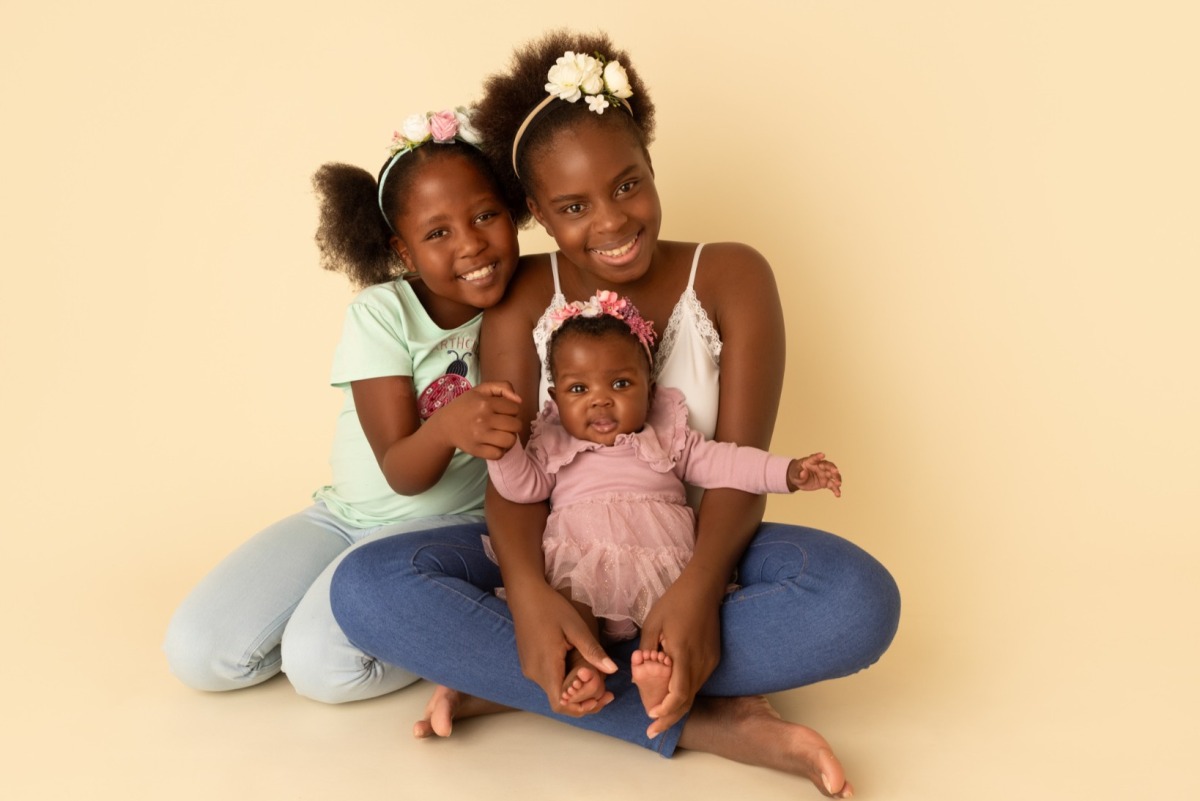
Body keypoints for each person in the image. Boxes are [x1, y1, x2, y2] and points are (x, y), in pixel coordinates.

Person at [331, 32, 900, 797]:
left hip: (700, 542)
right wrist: (529, 595)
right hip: (563, 554)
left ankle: (520, 681)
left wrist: (700, 589)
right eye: (573, 206)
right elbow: (514, 477)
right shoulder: (524, 297)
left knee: (859, 601)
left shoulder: (733, 274)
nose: (610, 221)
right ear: (536, 213)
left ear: (651, 167)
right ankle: (704, 721)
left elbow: (734, 464)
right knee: (366, 586)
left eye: (627, 185)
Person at [163, 108, 525, 704]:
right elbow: (402, 471)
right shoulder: (382, 313)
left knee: (324, 670)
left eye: (486, 215)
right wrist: (447, 428)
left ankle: (456, 610)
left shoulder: (529, 300)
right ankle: (410, 616)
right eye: (437, 233)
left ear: (513, 213)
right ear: (403, 251)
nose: (470, 243)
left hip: (450, 528)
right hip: (345, 518)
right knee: (198, 653)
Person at [486, 290, 845, 718]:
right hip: (582, 564)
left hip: (659, 566)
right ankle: (584, 668)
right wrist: (501, 450)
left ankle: (657, 678)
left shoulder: (667, 435)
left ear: (650, 390)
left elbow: (727, 463)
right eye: (578, 388)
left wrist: (788, 472)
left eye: (620, 384)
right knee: (571, 608)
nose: (600, 399)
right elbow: (523, 488)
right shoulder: (552, 440)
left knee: (670, 622)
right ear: (555, 397)